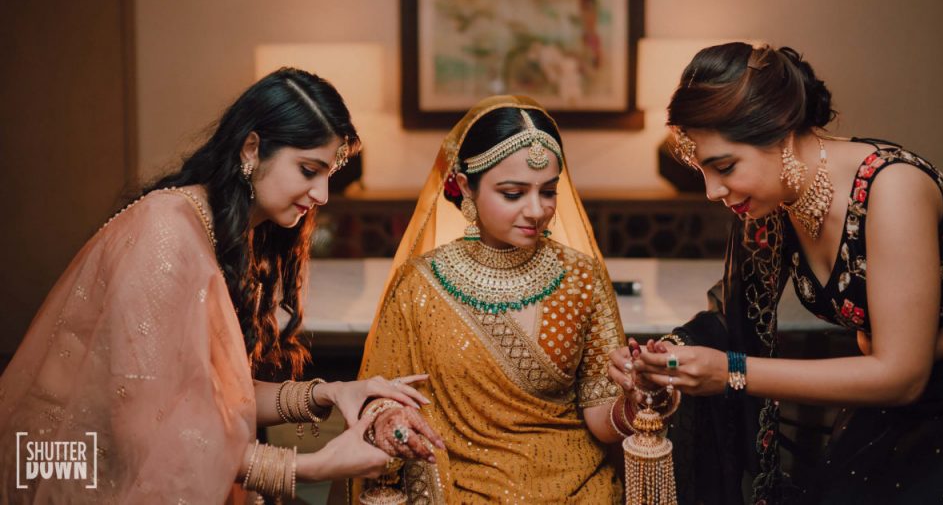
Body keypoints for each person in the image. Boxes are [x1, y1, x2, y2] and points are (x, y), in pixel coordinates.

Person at [0, 68, 441, 504]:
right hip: (95, 477)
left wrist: (328, 392)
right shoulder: (165, 234)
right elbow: (148, 436)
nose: (323, 194)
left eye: (329, 172)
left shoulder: (225, 232)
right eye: (309, 170)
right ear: (252, 149)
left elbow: (216, 401)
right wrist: (309, 466)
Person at [608, 43, 943, 503]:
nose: (711, 191)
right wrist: (665, 360)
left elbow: (902, 376)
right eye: (702, 169)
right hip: (888, 397)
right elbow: (733, 319)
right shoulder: (774, 202)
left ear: (781, 133)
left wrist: (732, 373)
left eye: (724, 167)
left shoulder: (890, 189)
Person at [334, 95, 667, 504]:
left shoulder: (582, 276)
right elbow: (382, 395)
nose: (536, 210)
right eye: (512, 193)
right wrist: (387, 418)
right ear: (463, 186)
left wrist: (637, 400)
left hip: (580, 489)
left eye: (548, 191)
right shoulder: (421, 283)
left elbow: (600, 415)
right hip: (459, 488)